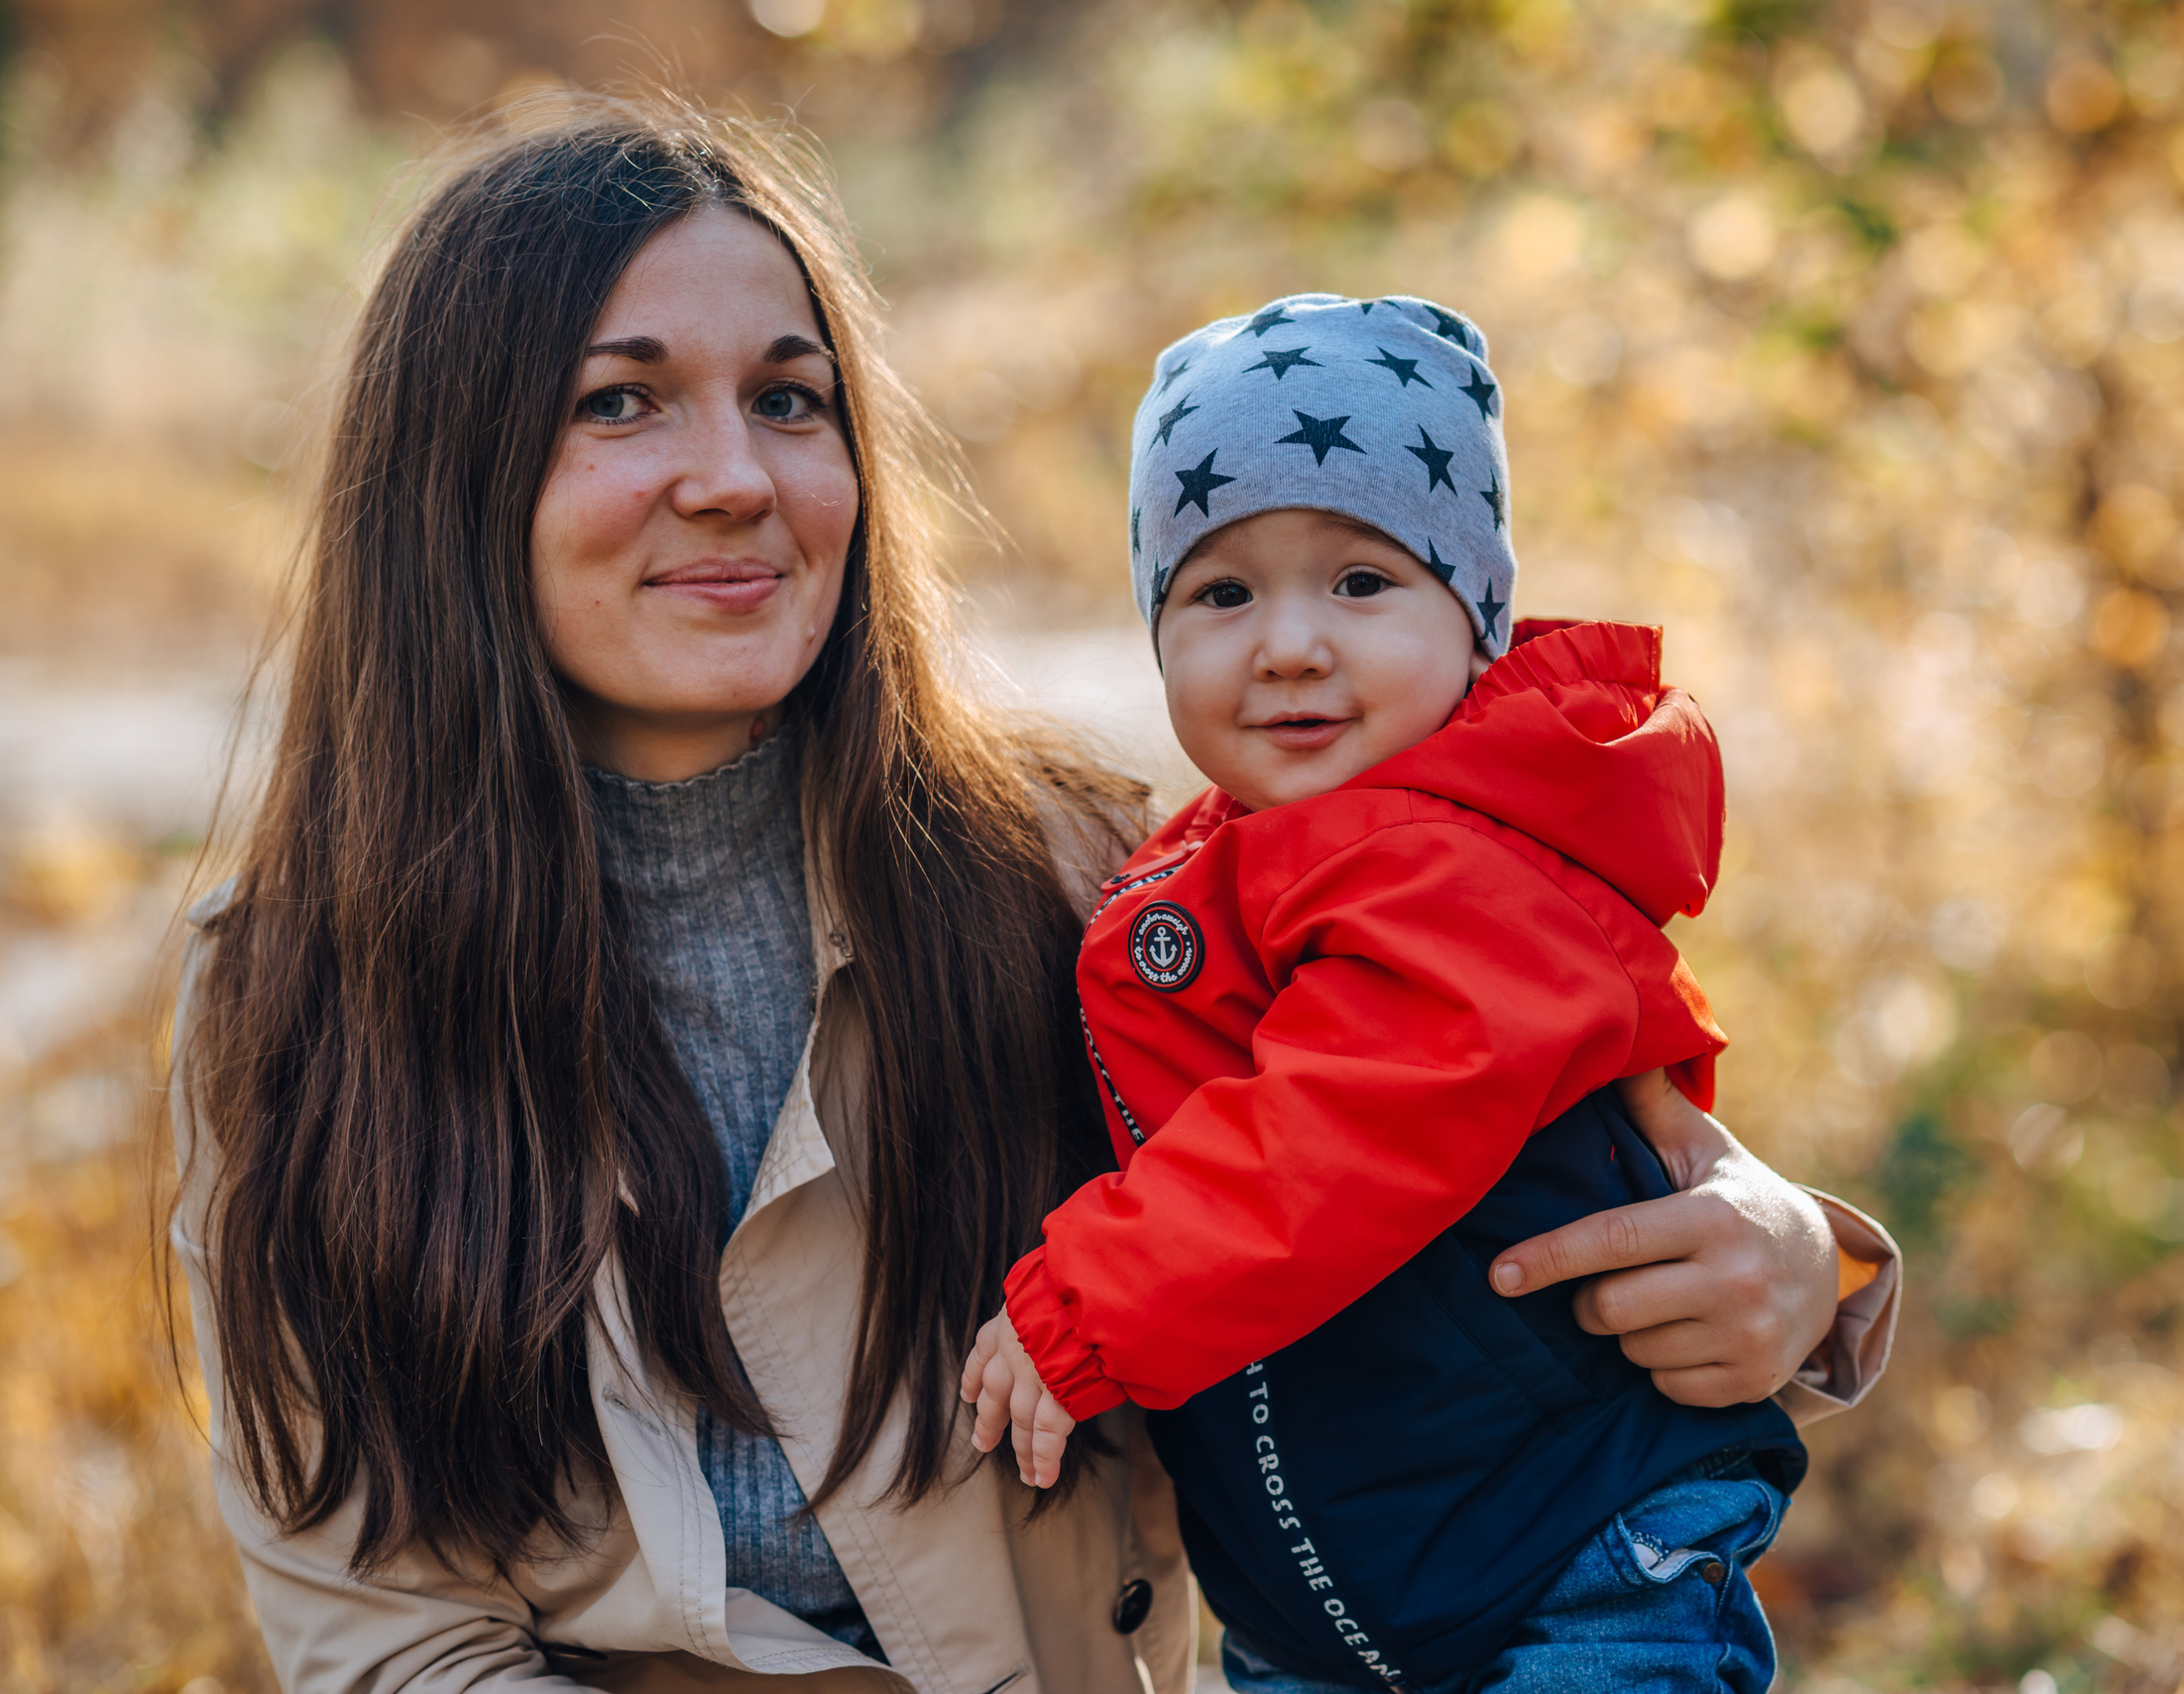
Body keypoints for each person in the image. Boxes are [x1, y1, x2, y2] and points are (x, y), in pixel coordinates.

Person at [167, 102, 1893, 1694]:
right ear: (456, 481)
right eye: (621, 400)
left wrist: (1805, 1257)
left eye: (789, 397)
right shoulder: (295, 998)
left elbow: (1458, 1097)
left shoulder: (1076, 881)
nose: (737, 476)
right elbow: (389, 1634)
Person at [963, 295, 1894, 1693]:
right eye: (1220, 593)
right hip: (1341, 1590)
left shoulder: (1453, 861)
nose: (1286, 643)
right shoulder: (1218, 865)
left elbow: (1353, 1117)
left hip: (1573, 1556)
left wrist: (1089, 1295)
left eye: (1360, 582)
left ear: (1476, 620)